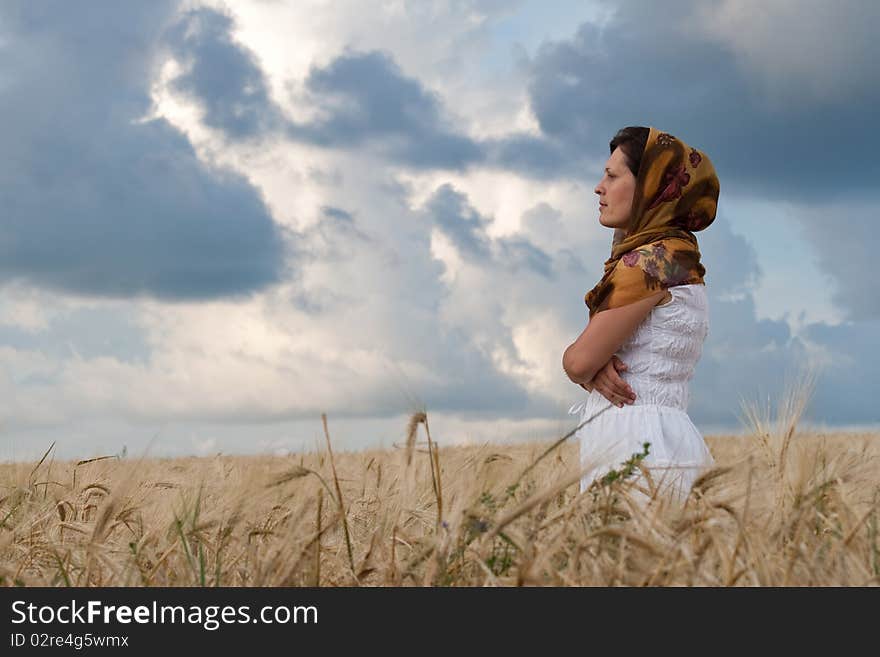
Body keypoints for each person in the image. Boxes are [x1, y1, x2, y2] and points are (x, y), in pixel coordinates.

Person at [561, 126, 718, 504]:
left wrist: (586, 368)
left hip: (632, 443)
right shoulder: (680, 258)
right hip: (670, 435)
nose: (599, 187)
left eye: (612, 176)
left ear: (650, 186)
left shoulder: (648, 263)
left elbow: (580, 361)